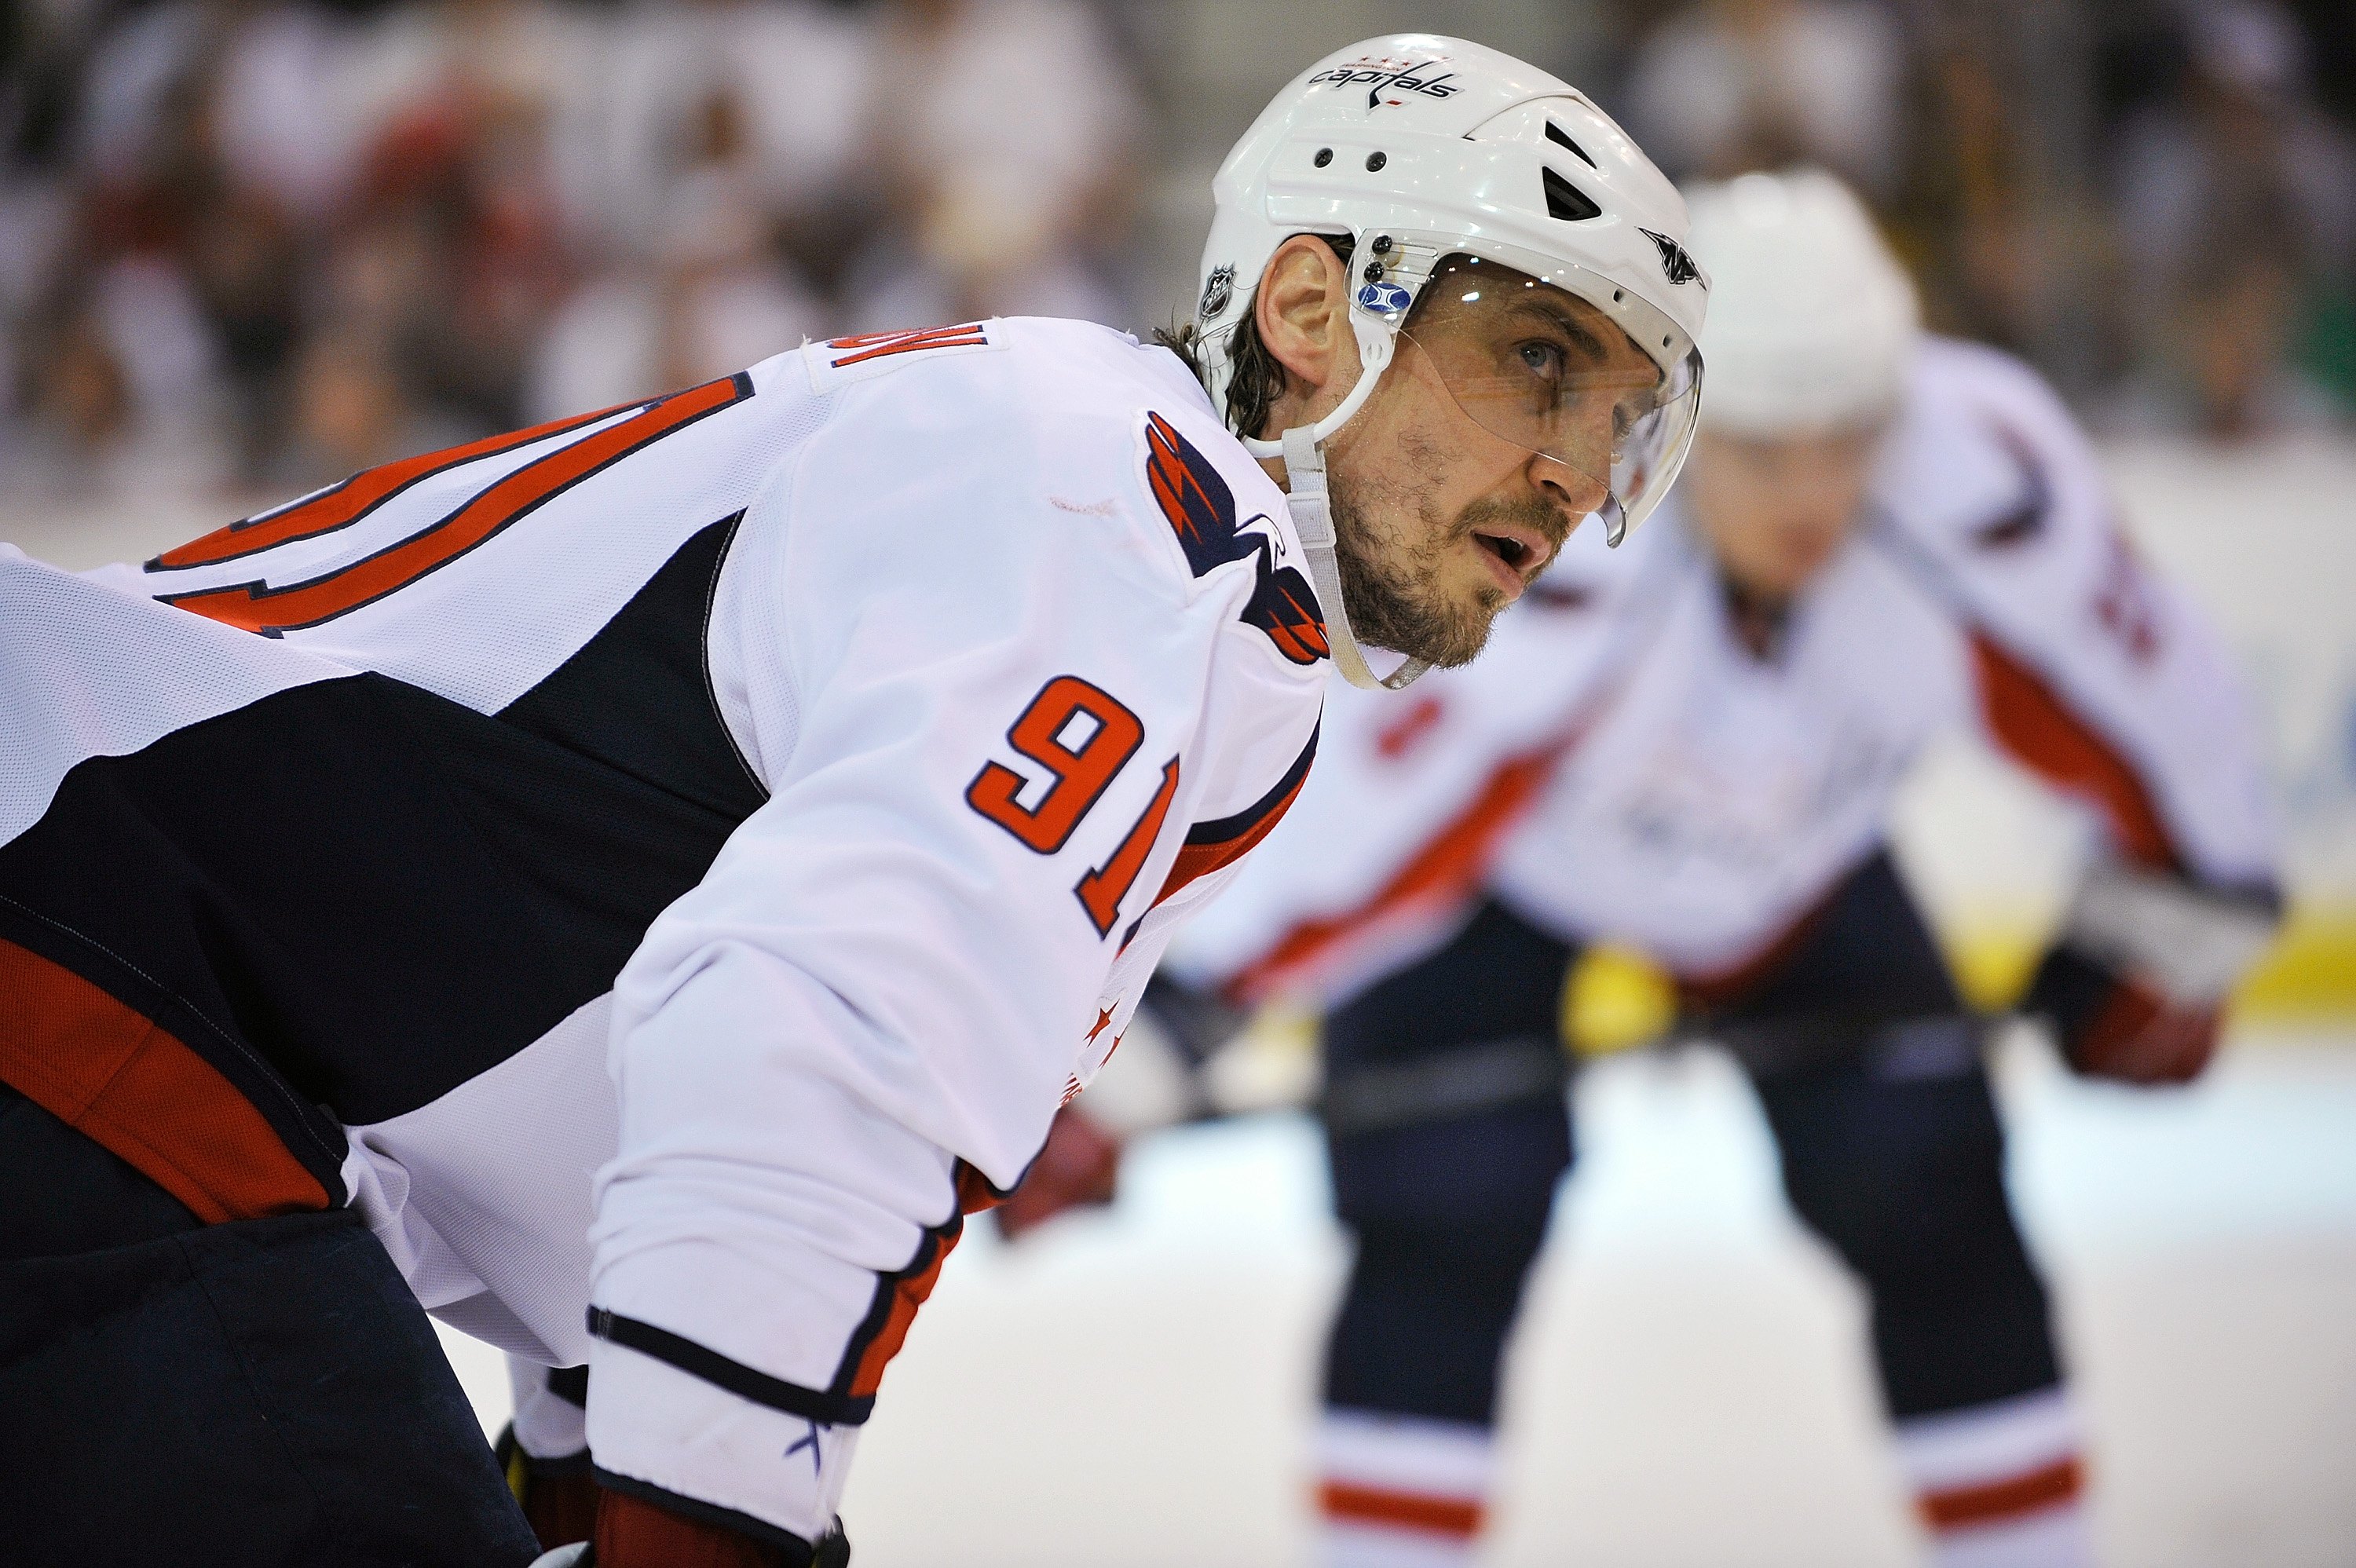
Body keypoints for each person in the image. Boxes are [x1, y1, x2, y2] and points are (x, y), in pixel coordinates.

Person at [0, 35, 1708, 1568]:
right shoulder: (1130, 530)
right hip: (82, 1003)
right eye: (1538, 359)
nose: (1575, 471)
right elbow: (795, 1050)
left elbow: (611, 1068)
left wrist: (596, 1471)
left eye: (1625, 420)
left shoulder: (1158, 568)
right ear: (1315, 310)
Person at [1156, 170, 2282, 1568]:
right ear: (1673, 416)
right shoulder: (1568, 522)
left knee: (1935, 1195)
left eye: (1849, 439)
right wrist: (1174, 1015)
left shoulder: (1979, 471)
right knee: (1440, 1207)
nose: (1813, 492)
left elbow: (2158, 702)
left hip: (1800, 873)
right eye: (1763, 449)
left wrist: (2173, 925)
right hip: (1512, 874)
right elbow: (1397, 800)